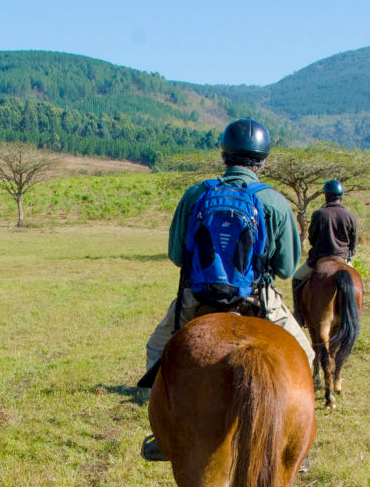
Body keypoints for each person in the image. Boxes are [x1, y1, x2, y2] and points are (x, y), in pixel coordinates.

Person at [140, 118, 314, 462]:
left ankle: (163, 435)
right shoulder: (274, 202)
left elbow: (177, 256)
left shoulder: (196, 194)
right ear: (262, 159)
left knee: (157, 350)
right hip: (256, 302)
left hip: (199, 298)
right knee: (304, 356)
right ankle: (299, 445)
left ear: (224, 154)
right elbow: (286, 268)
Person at [291, 179, 358, 323]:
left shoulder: (319, 214)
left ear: (326, 195)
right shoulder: (350, 215)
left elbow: (312, 239)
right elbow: (354, 242)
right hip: (343, 258)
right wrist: (348, 255)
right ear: (341, 196)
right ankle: (355, 316)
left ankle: (298, 315)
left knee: (296, 279)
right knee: (356, 281)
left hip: (321, 258)